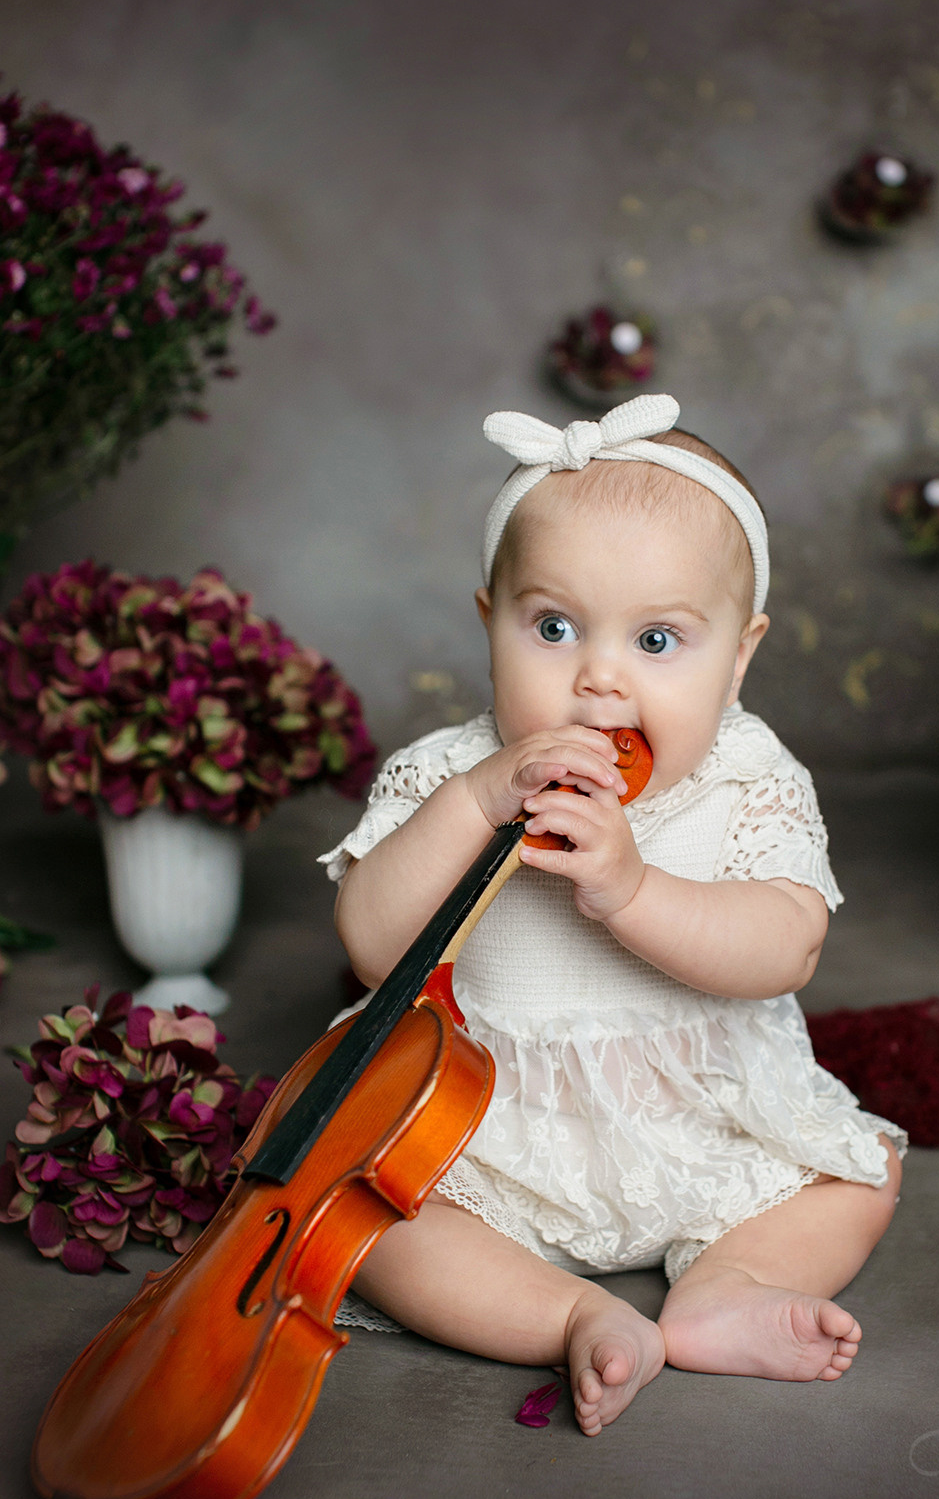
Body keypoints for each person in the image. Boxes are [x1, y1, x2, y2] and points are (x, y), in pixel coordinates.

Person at [320, 393, 905, 1436]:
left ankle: (731, 1285)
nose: (599, 677)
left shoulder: (743, 779)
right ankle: (569, 1316)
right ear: (486, 622)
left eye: (658, 639)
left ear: (740, 654)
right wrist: (475, 806)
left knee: (861, 1176)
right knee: (365, 1215)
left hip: (702, 1120)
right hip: (485, 1128)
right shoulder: (451, 772)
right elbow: (371, 947)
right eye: (552, 627)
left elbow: (788, 944)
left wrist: (632, 891)